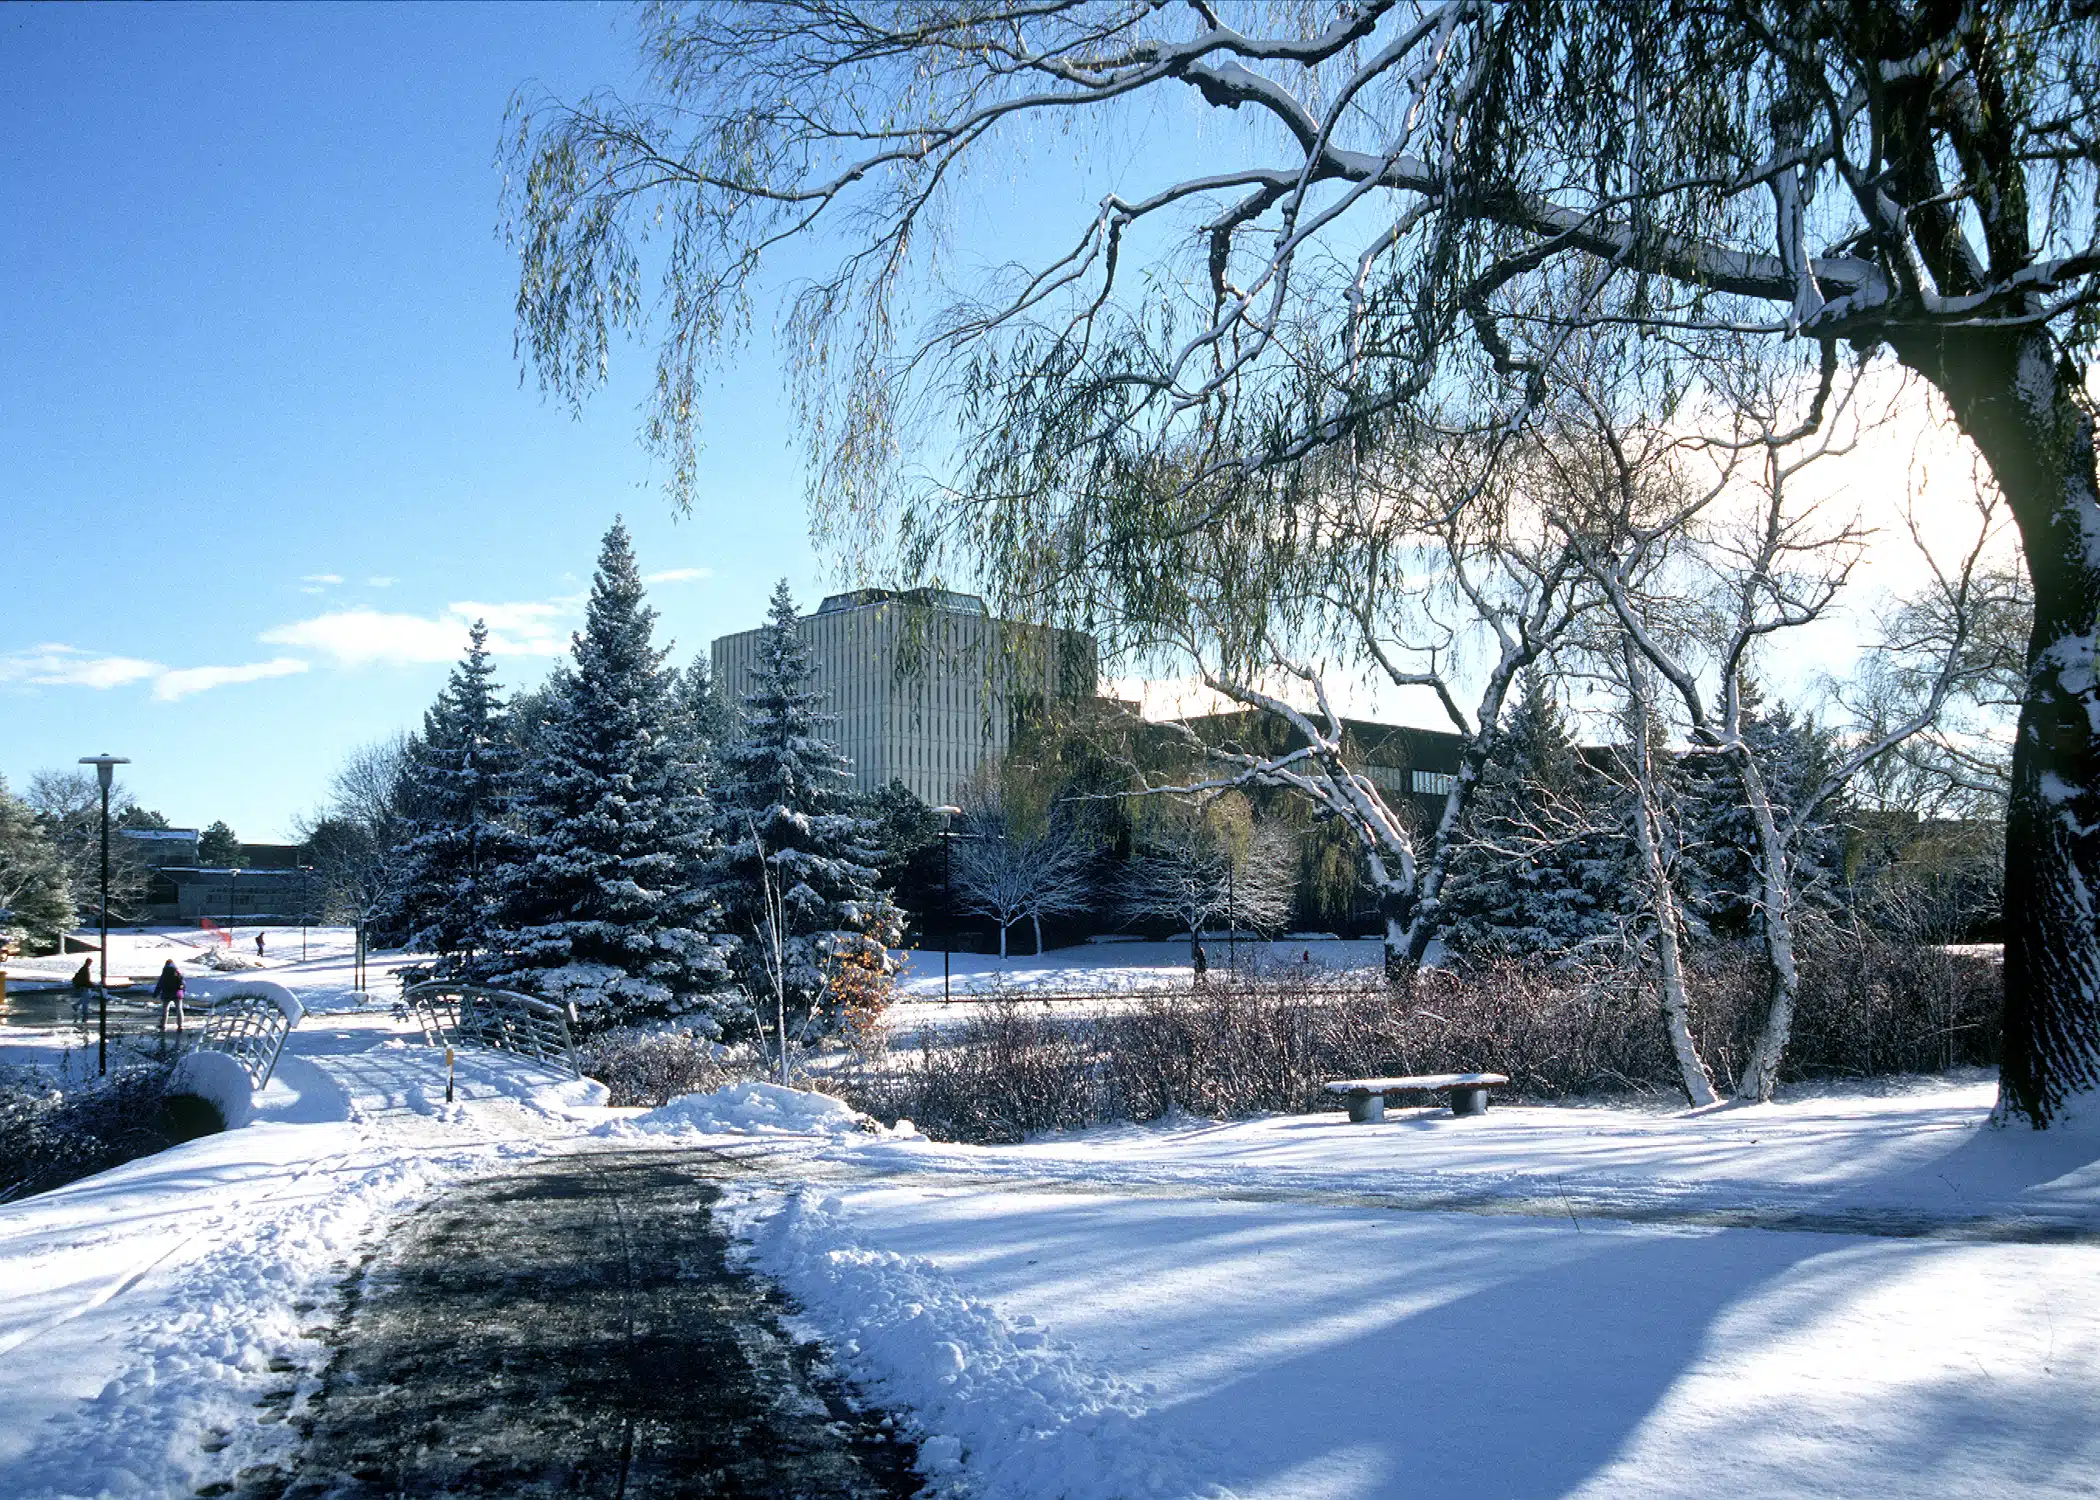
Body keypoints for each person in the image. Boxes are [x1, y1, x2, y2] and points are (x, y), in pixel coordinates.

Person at [154, 959, 187, 1033]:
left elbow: (160, 984)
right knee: (179, 1010)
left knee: (165, 1010)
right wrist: (182, 992)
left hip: (166, 994)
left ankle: (163, 1025)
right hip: (177, 994)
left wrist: (155, 993)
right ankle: (180, 1026)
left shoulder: (164, 973)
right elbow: (183, 983)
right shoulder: (177, 972)